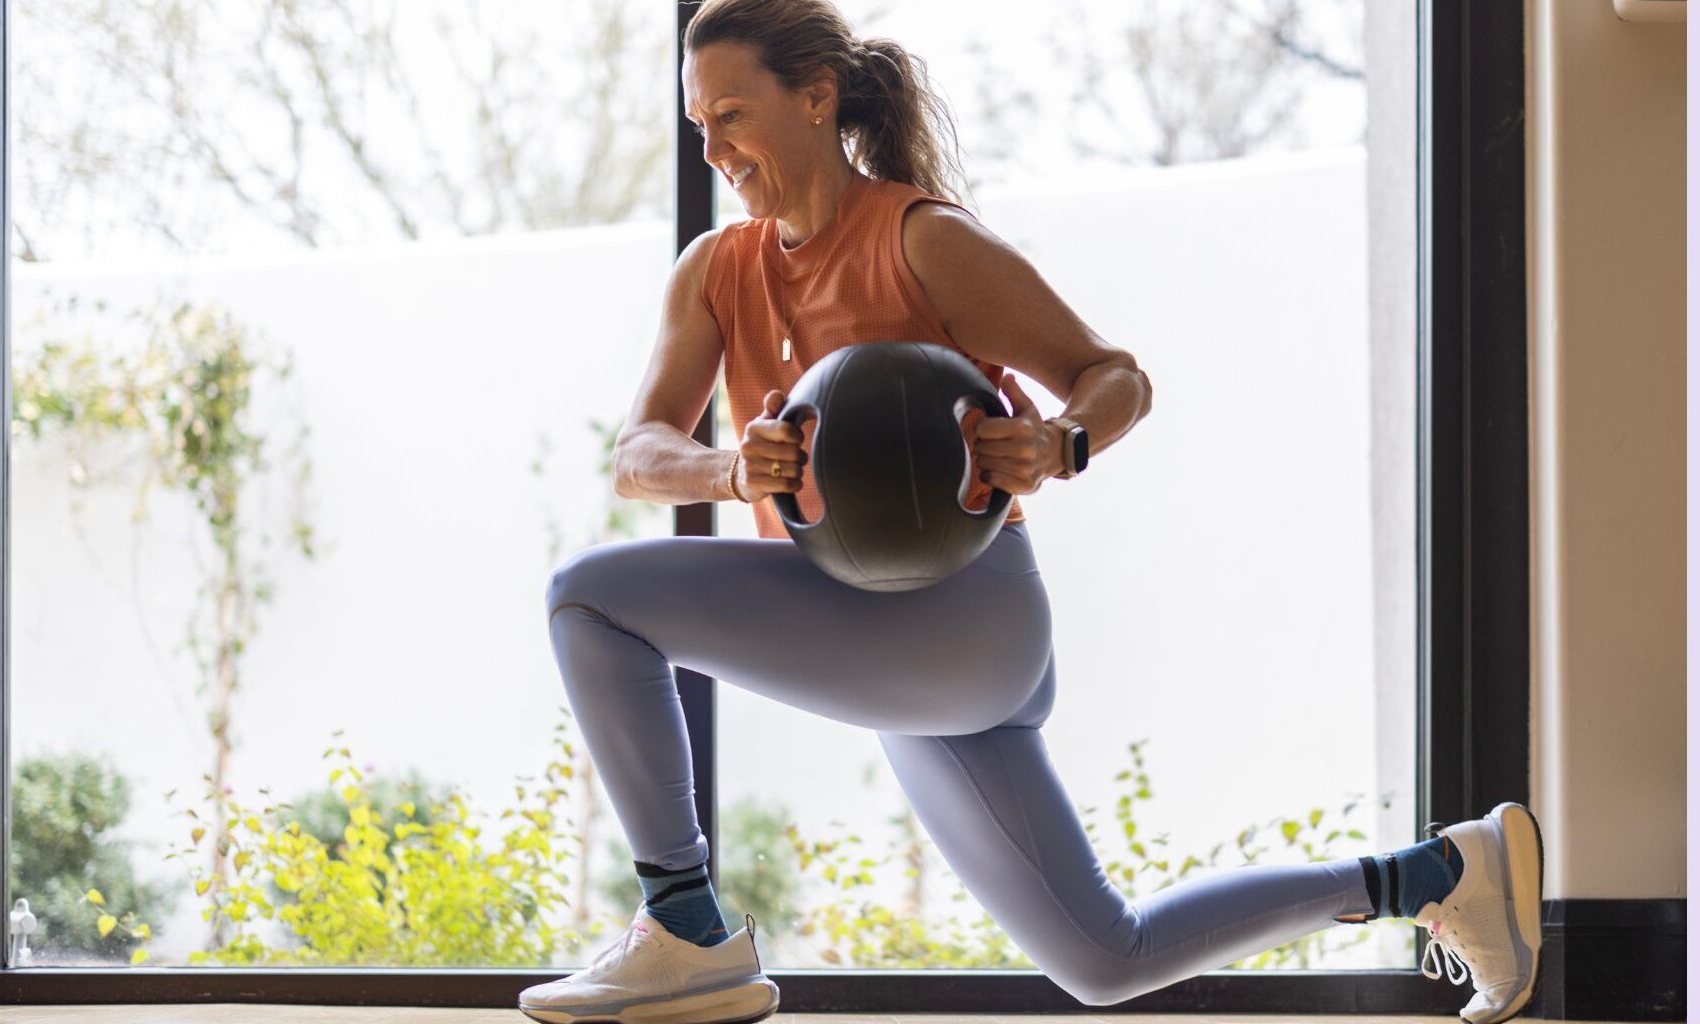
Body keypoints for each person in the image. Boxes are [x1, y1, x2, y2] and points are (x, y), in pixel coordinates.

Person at [520, 2, 1544, 1023]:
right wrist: (731, 473)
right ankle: (1436, 875)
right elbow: (640, 452)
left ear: (816, 98)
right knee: (1103, 960)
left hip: (966, 619)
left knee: (590, 599)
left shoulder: (924, 241)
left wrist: (1061, 442)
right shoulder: (715, 270)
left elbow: (1115, 377)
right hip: (890, 639)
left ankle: (686, 930)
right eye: (699, 122)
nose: (713, 147)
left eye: (732, 115)